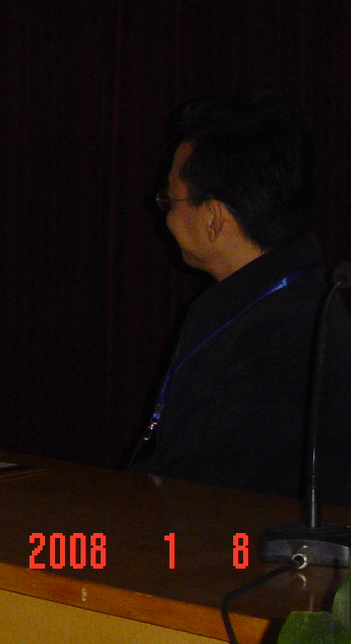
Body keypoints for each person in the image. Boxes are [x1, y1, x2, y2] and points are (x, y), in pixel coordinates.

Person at [129, 93, 351, 505]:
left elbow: (204, 496)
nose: (166, 215)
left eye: (170, 199)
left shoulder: (280, 334)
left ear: (214, 218)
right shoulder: (302, 294)